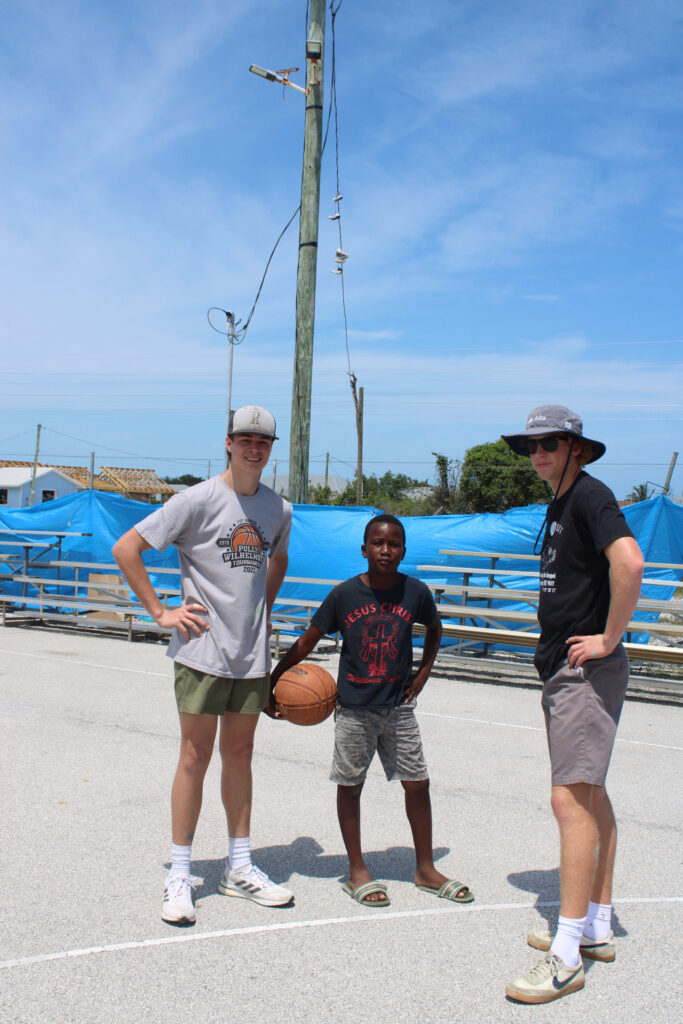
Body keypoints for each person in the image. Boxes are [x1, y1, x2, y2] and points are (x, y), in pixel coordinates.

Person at [113, 405, 294, 926]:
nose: (255, 447)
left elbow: (277, 558)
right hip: (201, 650)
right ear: (229, 442)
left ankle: (239, 866)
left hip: (249, 654)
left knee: (241, 755)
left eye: (264, 441)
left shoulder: (278, 510)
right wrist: (160, 612)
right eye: (246, 438)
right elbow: (127, 548)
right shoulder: (196, 499)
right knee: (194, 756)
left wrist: (263, 611)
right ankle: (181, 872)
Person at [500, 405, 644, 1004]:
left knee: (569, 798)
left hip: (586, 669)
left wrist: (609, 638)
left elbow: (630, 562)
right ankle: (595, 926)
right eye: (531, 444)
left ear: (576, 448)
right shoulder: (561, 502)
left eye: (551, 443)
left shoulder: (591, 496)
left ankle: (566, 955)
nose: (539, 453)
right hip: (564, 668)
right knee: (591, 793)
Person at [268, 513, 474, 908]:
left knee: (418, 783)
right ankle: (357, 869)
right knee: (351, 785)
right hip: (353, 710)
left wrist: (425, 671)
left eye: (393, 543)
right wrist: (272, 680)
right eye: (378, 543)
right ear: (364, 550)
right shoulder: (344, 595)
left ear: (403, 551)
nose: (385, 549)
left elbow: (434, 628)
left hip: (397, 708)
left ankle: (425, 868)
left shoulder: (415, 592)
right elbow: (308, 640)